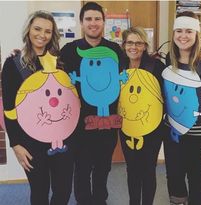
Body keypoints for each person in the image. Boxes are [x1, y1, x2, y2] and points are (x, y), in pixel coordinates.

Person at [1, 10, 80, 205]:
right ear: (28, 30)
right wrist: (16, 144)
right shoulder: (14, 64)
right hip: (31, 143)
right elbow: (9, 109)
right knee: (39, 192)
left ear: (52, 35)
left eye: (47, 31)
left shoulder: (60, 62)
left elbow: (70, 97)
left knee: (63, 191)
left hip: (62, 139)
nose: (41, 35)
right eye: (37, 29)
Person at [60, 2, 127, 205]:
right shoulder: (69, 51)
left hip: (106, 124)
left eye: (97, 18)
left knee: (103, 168)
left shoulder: (115, 50)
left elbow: (127, 77)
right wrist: (18, 54)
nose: (93, 23)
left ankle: (100, 200)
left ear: (103, 22)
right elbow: (49, 74)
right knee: (81, 169)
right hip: (78, 126)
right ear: (81, 22)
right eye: (88, 19)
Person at [162, 11, 201, 205]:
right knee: (174, 178)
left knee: (197, 181)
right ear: (173, 34)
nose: (183, 35)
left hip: (199, 139)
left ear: (197, 34)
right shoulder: (168, 61)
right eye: (179, 31)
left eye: (189, 31)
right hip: (173, 135)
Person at [118, 26, 165, 205]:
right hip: (127, 126)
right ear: (123, 45)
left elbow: (164, 97)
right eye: (130, 42)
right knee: (132, 168)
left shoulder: (156, 66)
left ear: (145, 46)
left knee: (148, 169)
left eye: (139, 43)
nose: (134, 47)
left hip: (152, 127)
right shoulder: (119, 65)